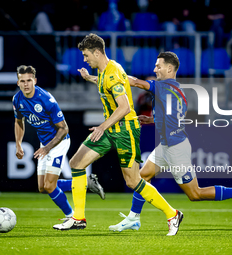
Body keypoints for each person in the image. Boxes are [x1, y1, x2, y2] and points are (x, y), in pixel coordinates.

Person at [108, 52, 232, 232]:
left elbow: (134, 82)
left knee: (195, 193)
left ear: (169, 68)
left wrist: (111, 73)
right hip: (166, 145)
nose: (154, 69)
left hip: (176, 149)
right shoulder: (177, 90)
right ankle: (133, 218)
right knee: (142, 177)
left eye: (158, 66)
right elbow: (173, 118)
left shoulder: (162, 86)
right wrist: (152, 120)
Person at [53, 34, 183, 236]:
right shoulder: (108, 70)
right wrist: (89, 78)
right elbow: (107, 83)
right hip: (112, 128)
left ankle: (172, 213)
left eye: (86, 55)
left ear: (97, 52)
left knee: (133, 181)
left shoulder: (112, 72)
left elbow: (123, 107)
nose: (85, 59)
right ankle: (78, 218)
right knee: (76, 163)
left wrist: (102, 127)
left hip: (125, 130)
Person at [13, 65, 105, 222]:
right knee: (42, 188)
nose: (26, 84)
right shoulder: (17, 100)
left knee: (50, 186)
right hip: (45, 144)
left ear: (35, 81)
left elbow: (64, 129)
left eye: (29, 80)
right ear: (18, 83)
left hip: (59, 142)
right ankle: (86, 182)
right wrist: (18, 144)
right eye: (22, 81)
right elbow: (19, 121)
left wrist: (47, 148)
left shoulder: (46, 100)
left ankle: (71, 216)